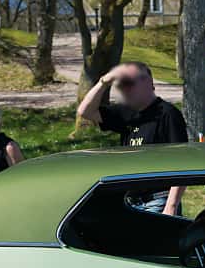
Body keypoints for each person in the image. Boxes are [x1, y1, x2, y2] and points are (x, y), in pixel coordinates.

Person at [76, 61, 187, 213]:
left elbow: (182, 163)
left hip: (159, 200)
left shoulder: (168, 114)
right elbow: (85, 111)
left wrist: (171, 205)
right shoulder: (126, 113)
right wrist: (104, 81)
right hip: (130, 202)